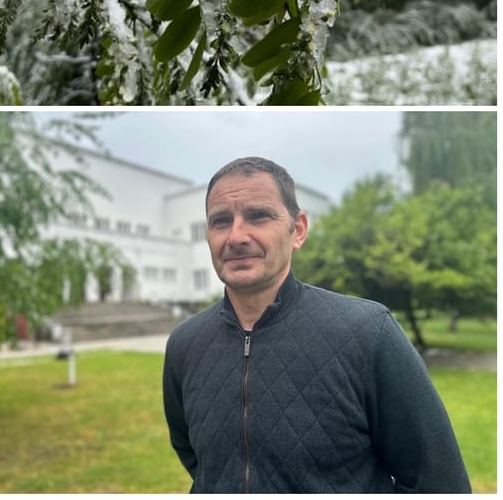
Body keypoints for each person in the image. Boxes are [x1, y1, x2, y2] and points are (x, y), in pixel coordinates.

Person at [162, 156, 471, 493]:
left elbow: (440, 481)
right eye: (220, 221)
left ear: (297, 230)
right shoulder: (185, 344)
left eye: (258, 216)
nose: (236, 236)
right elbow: (197, 458)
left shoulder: (368, 332)